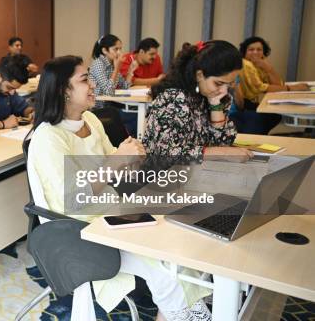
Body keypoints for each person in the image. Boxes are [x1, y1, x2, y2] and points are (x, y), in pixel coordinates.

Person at [27, 55, 211, 321]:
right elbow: (72, 199)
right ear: (62, 91)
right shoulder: (48, 138)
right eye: (84, 79)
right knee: (164, 264)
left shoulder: (90, 120)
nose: (93, 85)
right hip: (81, 228)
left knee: (177, 236)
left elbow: (113, 172)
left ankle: (177, 313)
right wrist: (117, 161)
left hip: (112, 211)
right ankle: (187, 314)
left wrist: (132, 158)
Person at [143, 41, 252, 165]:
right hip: (164, 179)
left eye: (230, 84)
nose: (224, 91)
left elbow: (222, 144)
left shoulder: (212, 96)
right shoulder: (172, 99)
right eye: (219, 83)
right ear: (199, 75)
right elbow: (165, 153)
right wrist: (217, 153)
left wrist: (216, 106)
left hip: (196, 174)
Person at [233, 36, 308, 134]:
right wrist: (291, 88)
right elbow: (260, 88)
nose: (255, 52)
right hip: (243, 105)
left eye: (259, 49)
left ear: (264, 52)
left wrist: (269, 69)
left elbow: (278, 84)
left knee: (275, 115)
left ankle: (260, 136)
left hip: (252, 104)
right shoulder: (245, 64)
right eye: (251, 49)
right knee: (272, 115)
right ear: (244, 52)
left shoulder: (259, 64)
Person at [88, 34, 138, 136]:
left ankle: (123, 138)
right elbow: (108, 92)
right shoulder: (98, 64)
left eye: (120, 49)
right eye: (116, 49)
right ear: (104, 51)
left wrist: (130, 71)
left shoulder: (112, 63)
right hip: (98, 109)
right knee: (137, 117)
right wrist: (116, 69)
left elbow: (125, 86)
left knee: (138, 116)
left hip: (110, 107)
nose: (119, 53)